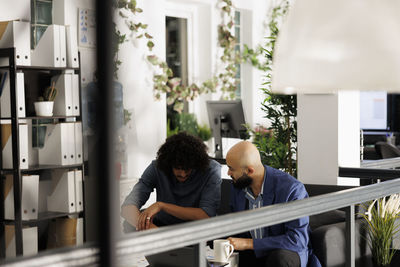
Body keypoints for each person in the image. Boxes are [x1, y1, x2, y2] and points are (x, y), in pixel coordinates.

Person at [226, 141, 320, 267]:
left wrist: (249, 243)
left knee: (279, 258)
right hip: (251, 254)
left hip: (285, 253)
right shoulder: (238, 186)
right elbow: (236, 230)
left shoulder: (291, 189)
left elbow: (297, 240)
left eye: (231, 169)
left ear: (249, 170)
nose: (228, 173)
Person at [121, 132, 222, 231]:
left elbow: (206, 215)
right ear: (168, 164)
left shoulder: (212, 170)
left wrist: (162, 206)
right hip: (163, 225)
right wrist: (155, 231)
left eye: (188, 169)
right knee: (130, 224)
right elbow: (127, 207)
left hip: (195, 229)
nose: (183, 174)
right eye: (178, 168)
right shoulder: (157, 167)